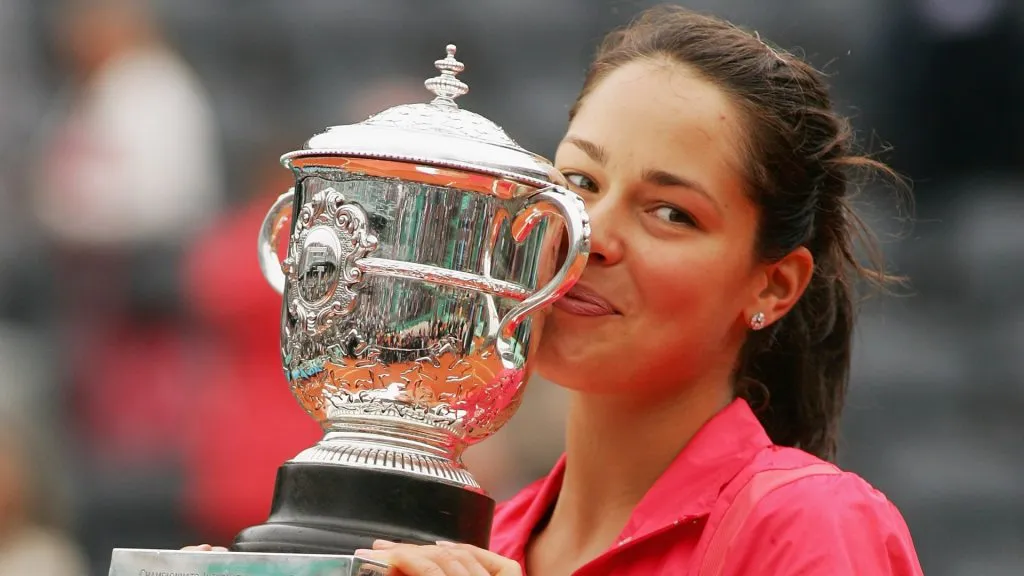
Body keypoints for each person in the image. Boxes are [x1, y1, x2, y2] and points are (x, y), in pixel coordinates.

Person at [189, 5, 923, 575]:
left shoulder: (806, 522)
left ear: (775, 285)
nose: (590, 237)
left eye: (671, 213)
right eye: (579, 183)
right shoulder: (483, 539)